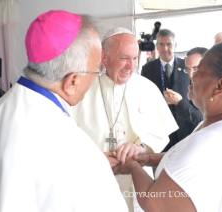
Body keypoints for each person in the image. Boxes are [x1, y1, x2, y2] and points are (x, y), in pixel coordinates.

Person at [0, 10, 128, 212]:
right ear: (72, 81)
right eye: (97, 71)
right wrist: (91, 164)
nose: (98, 77)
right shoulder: (80, 155)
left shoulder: (2, 106)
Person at [113, 41, 222, 212]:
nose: (192, 76)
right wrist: (147, 159)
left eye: (199, 71)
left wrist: (132, 166)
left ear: (220, 86)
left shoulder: (207, 143)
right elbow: (186, 162)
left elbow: (153, 202)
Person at [70, 27, 177, 212]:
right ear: (104, 57)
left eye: (134, 58)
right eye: (124, 58)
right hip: (94, 182)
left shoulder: (146, 87)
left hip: (136, 185)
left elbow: (161, 134)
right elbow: (65, 140)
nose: (131, 66)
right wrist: (93, 158)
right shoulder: (81, 89)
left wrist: (141, 147)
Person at [141, 29, 191, 152]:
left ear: (175, 46)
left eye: (169, 44)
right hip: (159, 128)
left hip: (184, 126)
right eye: (161, 44)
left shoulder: (187, 66)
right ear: (156, 46)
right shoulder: (147, 69)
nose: (165, 49)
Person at [164, 47, 207, 132]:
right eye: (188, 69)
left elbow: (203, 120)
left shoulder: (215, 90)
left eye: (195, 69)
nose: (191, 75)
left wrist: (179, 102)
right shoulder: (192, 82)